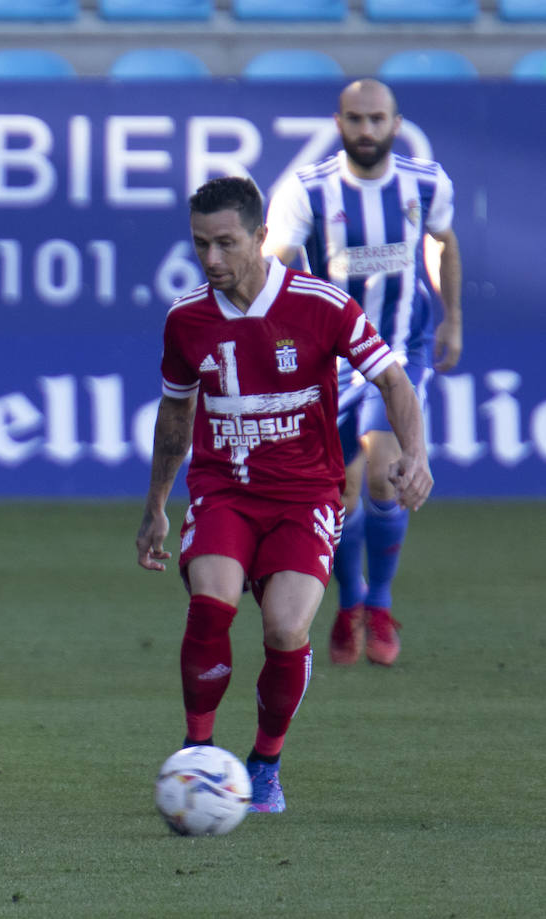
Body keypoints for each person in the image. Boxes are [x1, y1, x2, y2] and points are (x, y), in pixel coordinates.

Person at [135, 176, 432, 812]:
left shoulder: (320, 304)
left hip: (306, 496)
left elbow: (395, 381)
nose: (211, 259)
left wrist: (415, 453)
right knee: (211, 605)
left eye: (225, 243)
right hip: (225, 491)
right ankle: (199, 759)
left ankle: (265, 763)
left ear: (261, 237)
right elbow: (176, 418)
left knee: (284, 626)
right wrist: (157, 504)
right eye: (199, 245)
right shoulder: (186, 320)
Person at [264, 79, 461, 667]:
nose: (367, 130)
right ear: (339, 122)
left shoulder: (427, 182)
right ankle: (350, 602)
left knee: (381, 471)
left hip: (400, 350)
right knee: (342, 490)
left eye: (378, 119)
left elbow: (446, 244)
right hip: (330, 359)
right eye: (356, 119)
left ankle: (379, 603)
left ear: (396, 123)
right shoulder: (308, 191)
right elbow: (275, 266)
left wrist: (452, 321)